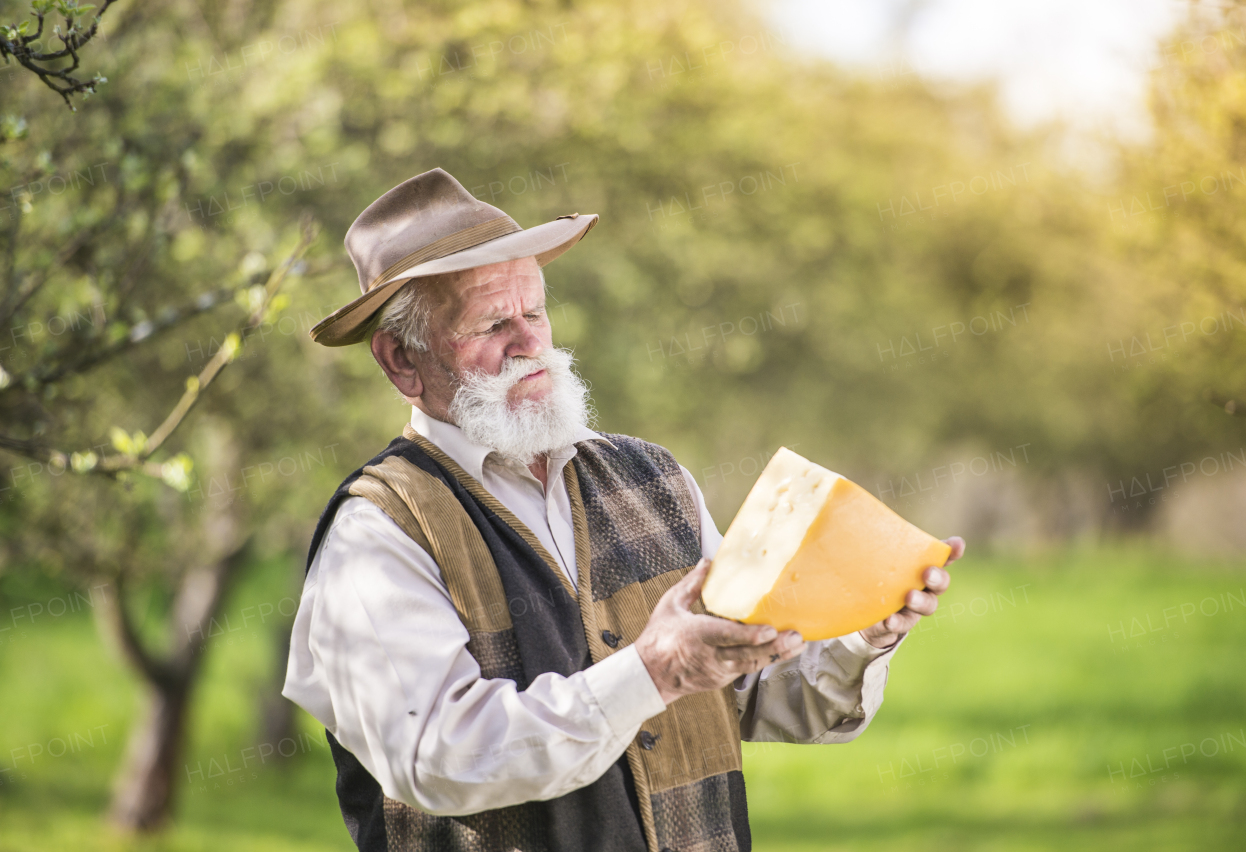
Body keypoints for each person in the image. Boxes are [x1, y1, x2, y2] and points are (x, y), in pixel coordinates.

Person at [283, 168, 962, 852]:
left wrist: (863, 630)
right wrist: (654, 670)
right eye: (492, 324)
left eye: (535, 312)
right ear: (402, 359)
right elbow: (440, 756)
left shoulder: (653, 478)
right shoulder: (375, 534)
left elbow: (756, 688)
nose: (529, 343)